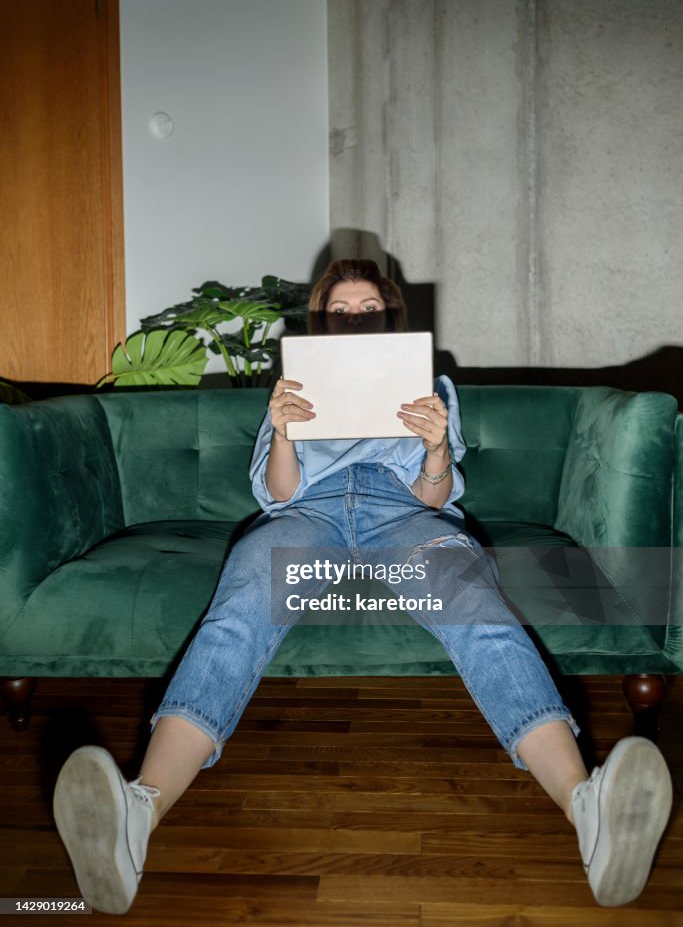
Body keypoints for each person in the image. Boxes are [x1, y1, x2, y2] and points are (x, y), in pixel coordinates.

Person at [53, 259, 672, 915]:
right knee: (237, 612)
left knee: (475, 606)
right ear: (321, 321)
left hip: (400, 515)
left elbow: (433, 501)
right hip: (305, 516)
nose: (353, 317)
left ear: (389, 316)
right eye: (339, 310)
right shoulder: (289, 388)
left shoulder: (429, 385)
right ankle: (136, 817)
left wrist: (436, 450)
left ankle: (587, 813)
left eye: (367, 307)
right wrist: (285, 431)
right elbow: (279, 493)